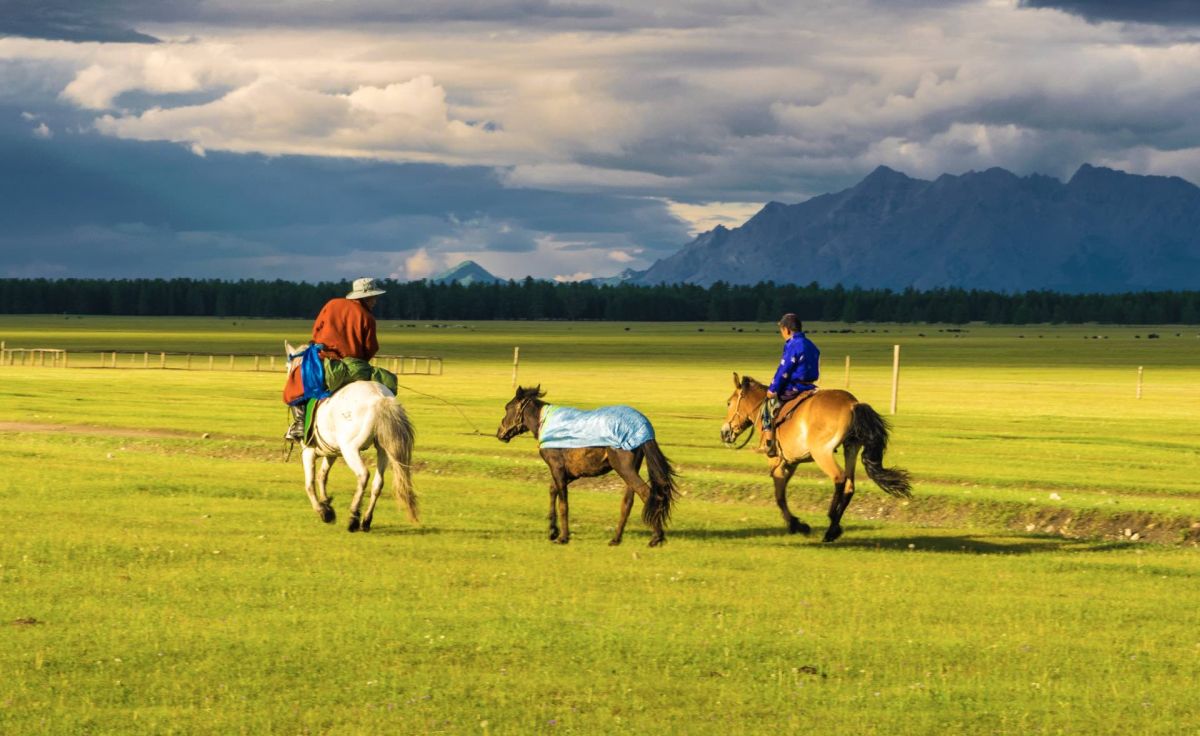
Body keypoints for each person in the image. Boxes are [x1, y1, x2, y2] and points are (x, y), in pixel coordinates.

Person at [283, 277, 399, 442]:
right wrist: (358, 361)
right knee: (387, 381)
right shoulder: (368, 318)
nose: (375, 301)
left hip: (326, 362)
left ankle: (300, 424)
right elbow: (371, 348)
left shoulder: (332, 305)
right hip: (355, 367)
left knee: (297, 382)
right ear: (364, 297)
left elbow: (317, 330)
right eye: (373, 297)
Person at [761, 313, 820, 457]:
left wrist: (772, 389)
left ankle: (769, 445)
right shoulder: (811, 345)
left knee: (767, 408)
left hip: (794, 387)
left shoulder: (793, 344)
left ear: (786, 330)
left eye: (781, 330)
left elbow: (784, 370)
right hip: (810, 386)